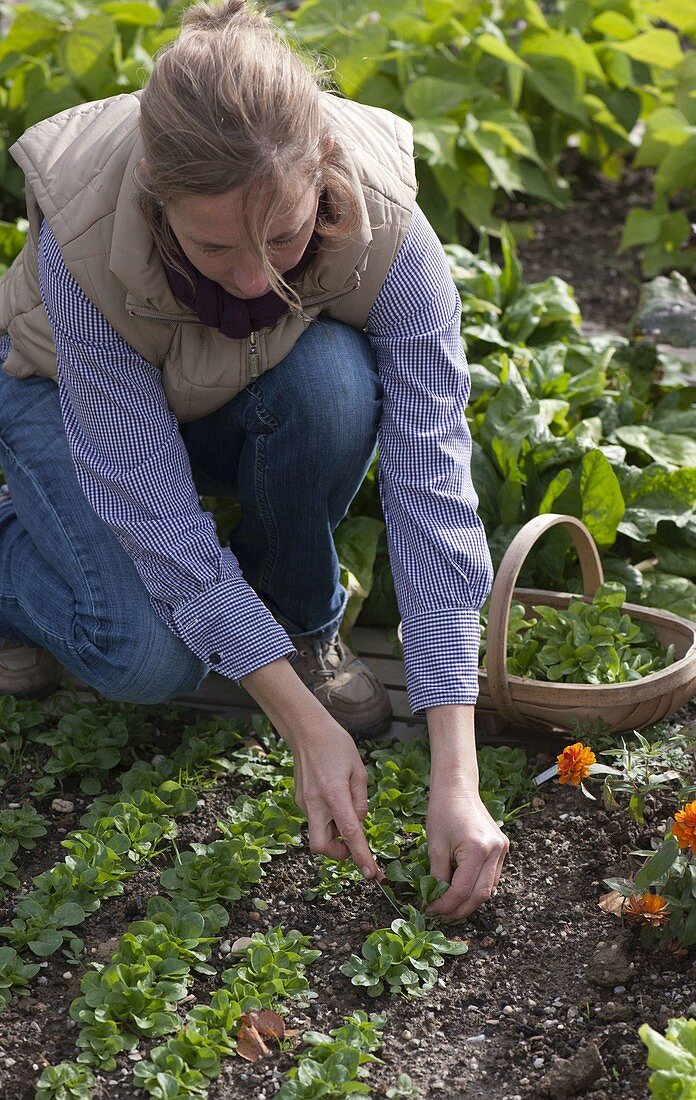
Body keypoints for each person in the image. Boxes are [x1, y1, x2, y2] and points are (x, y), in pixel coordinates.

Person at [0, 0, 508, 920]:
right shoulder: (83, 236)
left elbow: (433, 489)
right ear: (155, 188)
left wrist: (457, 773)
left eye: (282, 237)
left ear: (319, 171)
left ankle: (298, 624)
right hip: (56, 390)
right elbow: (152, 508)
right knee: (148, 660)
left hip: (239, 383)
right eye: (212, 245)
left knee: (332, 385)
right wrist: (302, 727)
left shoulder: (389, 232)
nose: (250, 278)